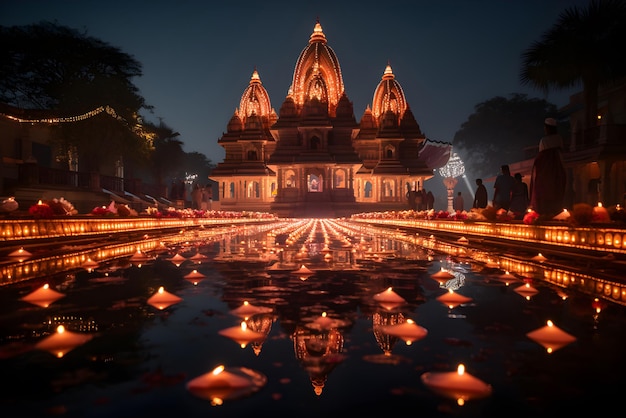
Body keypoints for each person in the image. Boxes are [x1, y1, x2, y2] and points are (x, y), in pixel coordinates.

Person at [529, 117, 567, 217]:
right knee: (556, 188)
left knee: (542, 189)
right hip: (557, 169)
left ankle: (544, 211)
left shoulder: (544, 140)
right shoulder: (559, 139)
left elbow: (541, 156)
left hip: (545, 170)